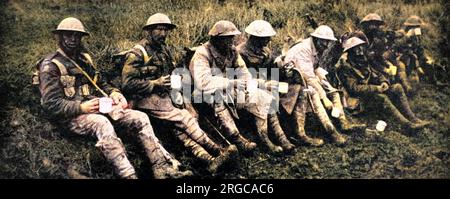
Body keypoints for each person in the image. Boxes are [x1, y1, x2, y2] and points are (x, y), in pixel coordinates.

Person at [37, 17, 193, 179]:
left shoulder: (84, 59)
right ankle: (129, 175)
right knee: (102, 124)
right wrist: (81, 108)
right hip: (70, 117)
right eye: (68, 35)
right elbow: (50, 104)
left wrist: (114, 93)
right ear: (60, 37)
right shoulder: (50, 66)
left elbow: (101, 83)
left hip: (96, 107)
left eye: (77, 36)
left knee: (140, 117)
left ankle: (161, 167)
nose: (73, 39)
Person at [121, 13, 237, 173]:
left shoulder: (164, 50)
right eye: (158, 29)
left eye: (165, 30)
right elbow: (127, 84)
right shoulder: (138, 53)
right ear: (148, 31)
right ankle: (218, 150)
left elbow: (172, 74)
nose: (163, 34)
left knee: (180, 126)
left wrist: (182, 94)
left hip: (164, 97)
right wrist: (154, 83)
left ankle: (208, 159)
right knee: (183, 118)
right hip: (144, 99)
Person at [189, 20, 287, 154]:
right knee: (218, 98)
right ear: (216, 39)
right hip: (204, 93)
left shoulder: (232, 51)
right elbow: (203, 82)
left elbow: (244, 74)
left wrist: (257, 85)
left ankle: (268, 138)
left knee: (263, 96)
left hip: (229, 90)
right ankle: (238, 140)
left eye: (232, 38)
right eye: (227, 39)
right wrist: (231, 83)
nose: (231, 42)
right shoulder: (202, 53)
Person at [284, 25, 364, 146]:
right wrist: (324, 98)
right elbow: (308, 78)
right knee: (315, 94)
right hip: (291, 82)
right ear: (316, 39)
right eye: (324, 41)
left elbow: (314, 70)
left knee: (334, 92)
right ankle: (331, 132)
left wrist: (326, 86)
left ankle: (342, 122)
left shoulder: (316, 48)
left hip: (305, 78)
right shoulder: (303, 50)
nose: (326, 45)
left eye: (328, 42)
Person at [338, 36, 430, 130]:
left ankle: (413, 119)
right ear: (350, 52)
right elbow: (354, 89)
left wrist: (384, 82)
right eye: (356, 48)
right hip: (360, 100)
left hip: (371, 92)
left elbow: (377, 73)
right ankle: (407, 125)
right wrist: (376, 88)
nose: (360, 50)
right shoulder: (346, 68)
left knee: (397, 87)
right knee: (382, 98)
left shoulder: (363, 62)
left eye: (360, 47)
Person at [237, 20, 295, 152]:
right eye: (265, 38)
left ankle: (281, 136)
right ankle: (270, 137)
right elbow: (243, 77)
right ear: (255, 38)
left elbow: (271, 71)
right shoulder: (241, 53)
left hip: (263, 84)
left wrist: (282, 70)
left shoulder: (265, 51)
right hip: (247, 87)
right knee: (267, 95)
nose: (268, 41)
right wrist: (265, 84)